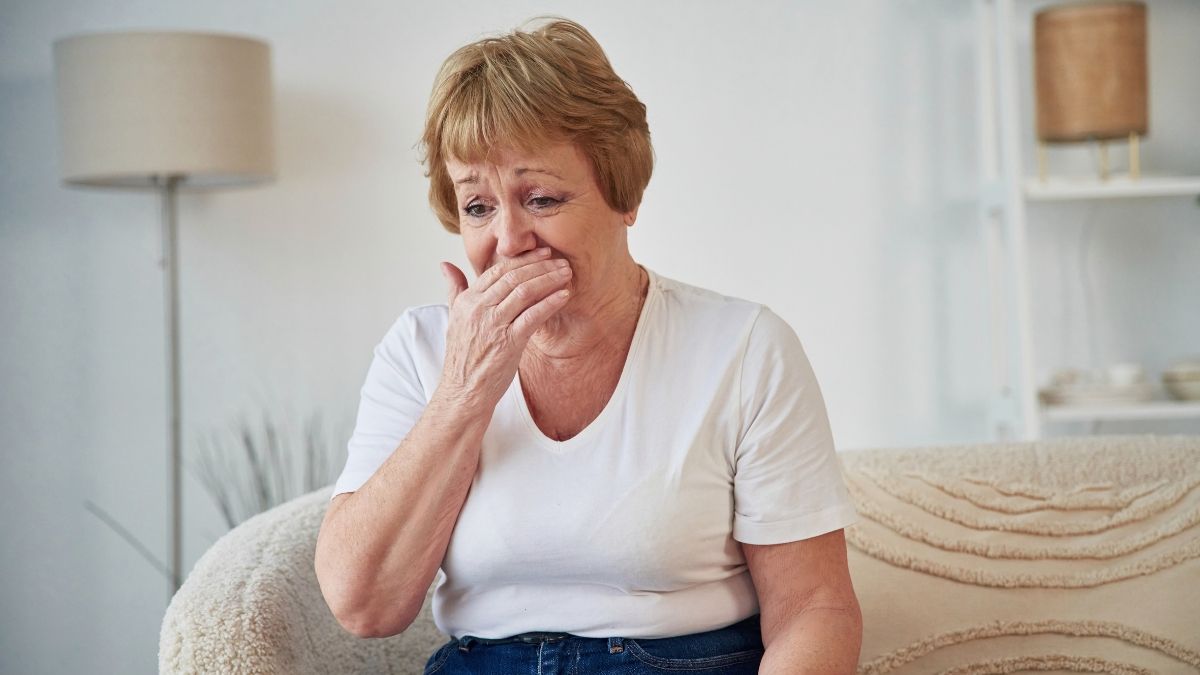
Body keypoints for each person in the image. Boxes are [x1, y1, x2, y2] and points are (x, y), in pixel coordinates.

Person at [314, 17, 863, 675]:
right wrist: (463, 393)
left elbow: (814, 609)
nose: (509, 240)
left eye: (541, 198)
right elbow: (363, 607)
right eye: (478, 206)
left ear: (623, 195)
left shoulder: (745, 350)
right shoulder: (419, 351)